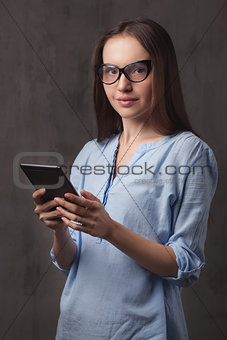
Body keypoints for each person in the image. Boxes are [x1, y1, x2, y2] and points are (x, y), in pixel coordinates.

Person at [33, 17, 218, 340]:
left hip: (146, 331)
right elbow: (69, 263)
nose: (122, 85)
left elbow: (184, 265)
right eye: (110, 71)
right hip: (75, 329)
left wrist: (111, 230)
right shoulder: (91, 152)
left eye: (136, 70)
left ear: (163, 71)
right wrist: (59, 227)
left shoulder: (189, 154)